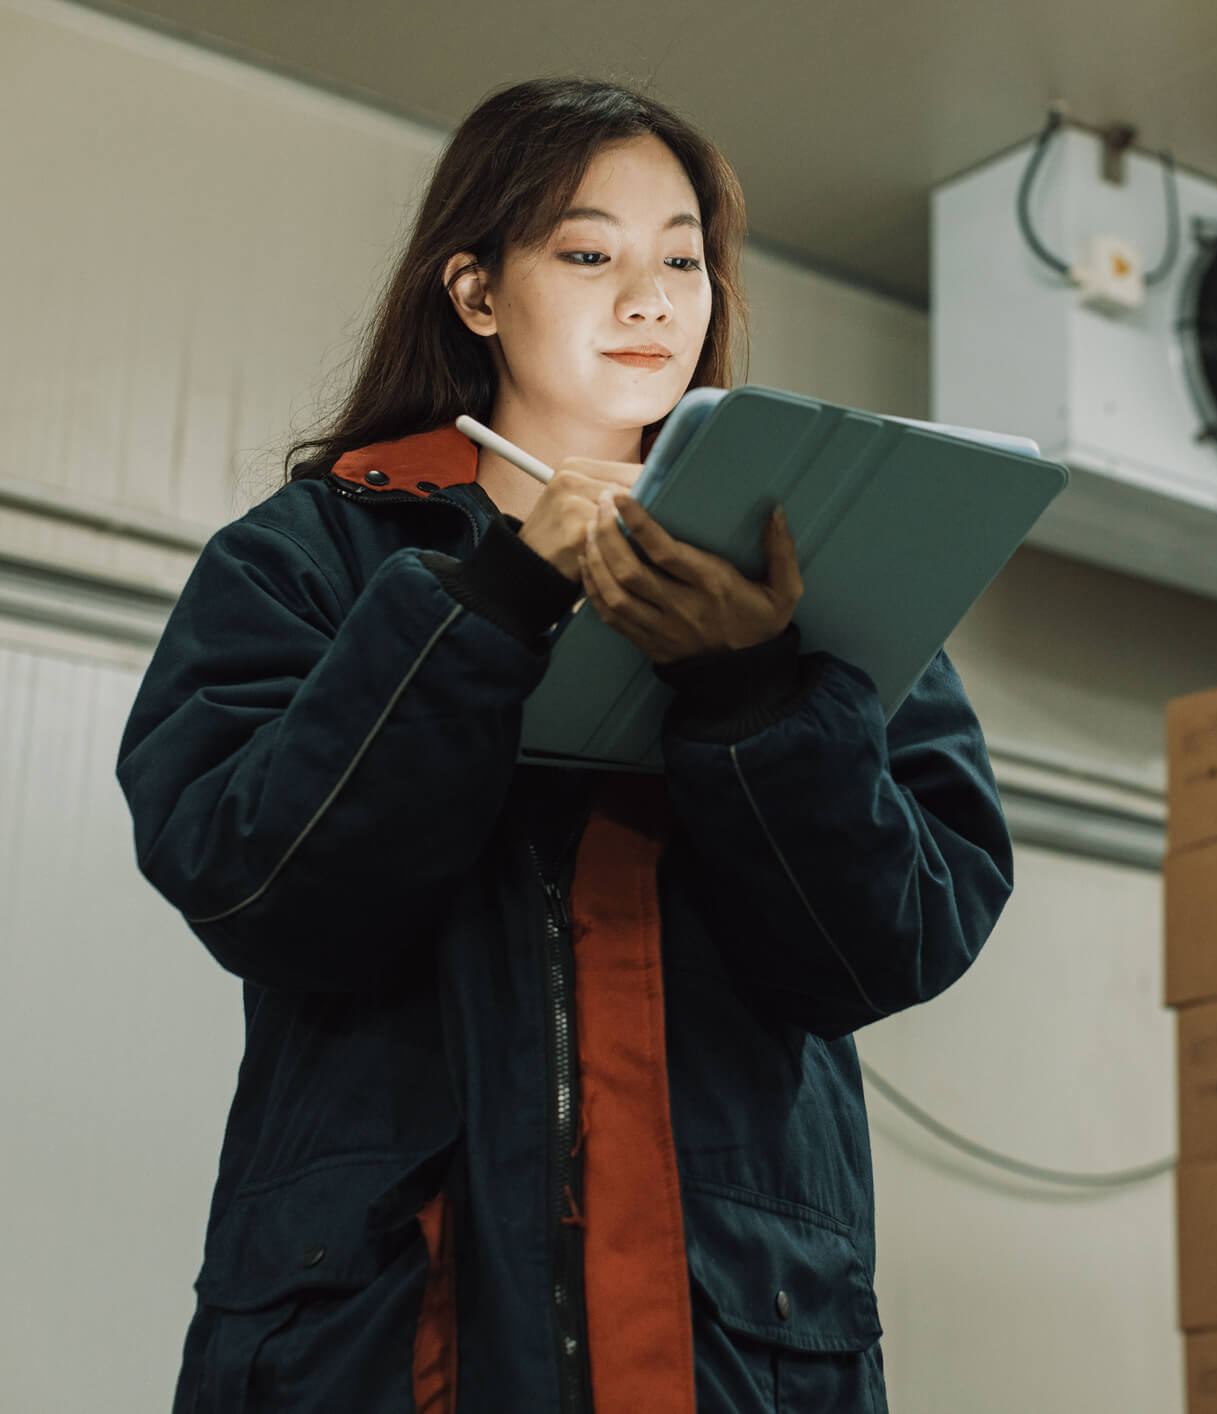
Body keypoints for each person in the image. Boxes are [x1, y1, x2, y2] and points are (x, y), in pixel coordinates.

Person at [115, 76, 1013, 1414]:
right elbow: (255, 881)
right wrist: (491, 603)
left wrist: (756, 692)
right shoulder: (311, 556)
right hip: (379, 1342)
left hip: (739, 1347)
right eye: (588, 252)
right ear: (475, 291)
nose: (649, 298)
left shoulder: (813, 577)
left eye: (683, 259)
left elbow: (899, 938)